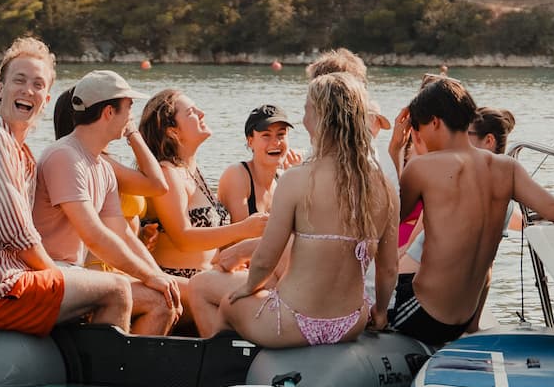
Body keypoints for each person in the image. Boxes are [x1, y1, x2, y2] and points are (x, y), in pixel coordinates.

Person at [188, 72, 397, 348]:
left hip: (292, 324)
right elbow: (388, 267)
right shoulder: (383, 186)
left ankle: (225, 374)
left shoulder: (297, 180)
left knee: (229, 305)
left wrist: (248, 289)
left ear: (320, 118)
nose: (303, 119)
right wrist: (380, 313)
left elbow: (265, 258)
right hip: (350, 323)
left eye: (306, 110)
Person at [0, 38, 134, 334]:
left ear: (46, 100)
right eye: (19, 80)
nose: (28, 90)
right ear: (0, 88)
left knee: (98, 285)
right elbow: (18, 234)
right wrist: (59, 277)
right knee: (117, 289)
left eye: (38, 84)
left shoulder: (25, 156)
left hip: (7, 284)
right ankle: (109, 380)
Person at [389, 77, 554, 350]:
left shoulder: (422, 167)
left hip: (424, 316)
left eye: (418, 129)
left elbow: (389, 223)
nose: (418, 137)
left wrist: (396, 150)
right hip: (464, 318)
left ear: (434, 122)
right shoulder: (507, 167)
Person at [33, 70, 182, 336]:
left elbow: (121, 232)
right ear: (108, 113)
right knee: (156, 300)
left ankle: (130, 371)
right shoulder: (65, 157)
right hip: (52, 273)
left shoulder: (101, 166)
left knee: (165, 298)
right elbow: (93, 236)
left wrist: (157, 275)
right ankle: (123, 374)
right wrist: (150, 278)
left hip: (74, 274)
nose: (131, 117)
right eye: (129, 107)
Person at [137, 89, 268, 279]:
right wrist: (243, 228)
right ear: (173, 131)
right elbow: (183, 238)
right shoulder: (168, 173)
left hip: (210, 275)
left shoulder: (193, 172)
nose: (202, 113)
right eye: (191, 112)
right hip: (180, 278)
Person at [215, 102, 301, 225]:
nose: (276, 142)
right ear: (250, 141)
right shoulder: (237, 175)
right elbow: (240, 239)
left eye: (281, 134)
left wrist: (300, 180)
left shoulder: (283, 180)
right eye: (266, 135)